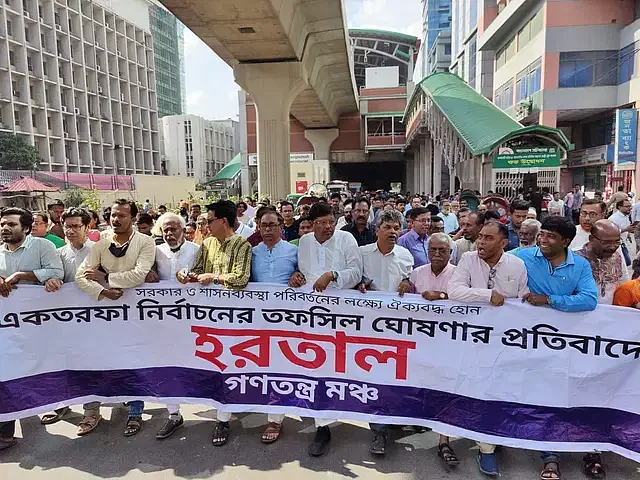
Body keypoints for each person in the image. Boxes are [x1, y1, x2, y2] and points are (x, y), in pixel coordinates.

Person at [515, 216, 598, 480]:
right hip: (526, 341)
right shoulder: (522, 256)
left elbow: (589, 299)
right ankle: (548, 455)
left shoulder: (580, 266)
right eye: (543, 234)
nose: (544, 239)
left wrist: (549, 300)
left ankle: (572, 450)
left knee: (562, 395)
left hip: (566, 344)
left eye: (551, 236)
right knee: (536, 394)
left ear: (565, 241)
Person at [449, 220, 528, 476]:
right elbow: (455, 291)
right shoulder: (468, 260)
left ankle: (495, 438)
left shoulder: (516, 265)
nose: (480, 242)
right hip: (473, 340)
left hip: (505, 342)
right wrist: (487, 295)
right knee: (478, 390)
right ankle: (486, 449)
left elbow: (522, 300)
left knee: (501, 391)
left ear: (504, 243)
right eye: (480, 237)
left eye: (488, 238)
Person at [75, 199, 156, 437]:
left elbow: (139, 275)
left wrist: (105, 277)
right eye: (112, 215)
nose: (116, 219)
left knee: (135, 359)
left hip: (137, 315)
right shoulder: (100, 243)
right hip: (106, 314)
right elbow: (81, 277)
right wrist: (102, 292)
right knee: (107, 359)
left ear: (133, 219)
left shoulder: (145, 242)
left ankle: (135, 411)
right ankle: (100, 407)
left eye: (122, 215)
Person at [176, 200, 252, 447]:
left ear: (224, 221)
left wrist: (215, 277)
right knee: (212, 365)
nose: (206, 225)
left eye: (210, 220)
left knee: (230, 365)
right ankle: (221, 414)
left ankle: (225, 416)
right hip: (208, 319)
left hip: (235, 319)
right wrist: (185, 275)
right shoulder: (206, 244)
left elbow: (241, 278)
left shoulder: (242, 244)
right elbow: (195, 269)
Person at [290, 201, 362, 457]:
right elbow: (304, 272)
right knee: (314, 364)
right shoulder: (306, 241)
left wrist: (332, 274)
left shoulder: (347, 239)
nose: (327, 227)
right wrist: (296, 276)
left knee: (341, 367)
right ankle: (322, 425)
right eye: (321, 223)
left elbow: (356, 272)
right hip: (310, 315)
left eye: (331, 221)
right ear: (311, 224)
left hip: (341, 317)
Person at [0, 207, 64, 451]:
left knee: (39, 369)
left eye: (11, 225)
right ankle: (5, 432)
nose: (5, 228)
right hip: (8, 329)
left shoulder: (42, 246)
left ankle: (52, 404)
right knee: (7, 373)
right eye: (3, 224)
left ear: (26, 228)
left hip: (41, 327)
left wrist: (21, 275)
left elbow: (56, 272)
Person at [39, 207, 101, 433]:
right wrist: (51, 281)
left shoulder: (100, 251)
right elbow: (54, 278)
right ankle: (62, 404)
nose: (71, 230)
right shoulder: (58, 254)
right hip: (66, 322)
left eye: (76, 226)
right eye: (68, 226)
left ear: (87, 227)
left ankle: (91, 412)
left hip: (97, 321)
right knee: (63, 363)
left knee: (89, 365)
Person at [358, 209, 413, 456]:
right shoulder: (362, 255)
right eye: (388, 227)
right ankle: (379, 430)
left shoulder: (405, 255)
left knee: (397, 376)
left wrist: (408, 284)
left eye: (396, 228)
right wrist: (359, 285)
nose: (393, 232)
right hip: (369, 328)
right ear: (377, 229)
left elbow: (412, 284)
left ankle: (395, 417)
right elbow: (352, 283)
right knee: (376, 377)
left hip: (399, 329)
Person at [144, 212, 199, 439]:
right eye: (165, 230)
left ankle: (220, 414)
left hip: (195, 318)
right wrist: (149, 273)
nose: (170, 233)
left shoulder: (197, 250)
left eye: (174, 229)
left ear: (183, 230)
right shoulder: (156, 252)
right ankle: (174, 414)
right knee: (166, 365)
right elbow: (147, 273)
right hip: (165, 320)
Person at [250, 210, 298, 444]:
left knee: (280, 367)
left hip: (286, 320)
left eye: (272, 225)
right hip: (257, 319)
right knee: (261, 367)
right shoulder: (252, 253)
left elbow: (305, 277)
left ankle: (275, 419)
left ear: (281, 227)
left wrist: (298, 275)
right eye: (263, 225)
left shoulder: (293, 251)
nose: (267, 230)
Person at [411, 232, 459, 465]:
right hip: (420, 340)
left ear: (451, 252)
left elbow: (467, 300)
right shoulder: (416, 274)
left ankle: (444, 440)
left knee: (445, 386)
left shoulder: (460, 275)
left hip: (450, 341)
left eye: (443, 250)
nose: (437, 254)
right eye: (433, 250)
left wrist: (440, 296)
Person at [575, 219, 629, 305]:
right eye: (607, 242)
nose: (612, 247)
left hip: (611, 312)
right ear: (592, 239)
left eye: (617, 242)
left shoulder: (617, 256)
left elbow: (624, 282)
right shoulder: (575, 259)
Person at [609, 198, 636, 266]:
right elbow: (610, 232)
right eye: (627, 206)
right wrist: (626, 229)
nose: (629, 208)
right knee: (626, 262)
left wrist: (628, 234)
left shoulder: (626, 216)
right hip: (616, 245)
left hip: (624, 243)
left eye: (630, 206)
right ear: (619, 207)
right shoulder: (613, 218)